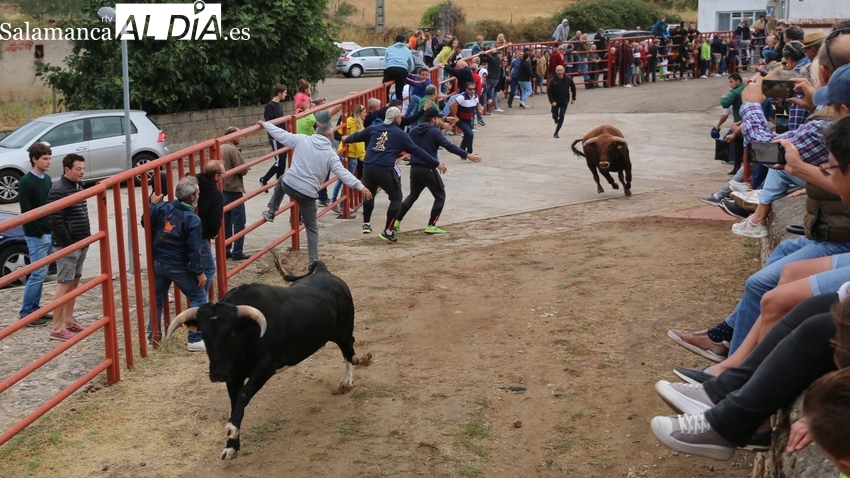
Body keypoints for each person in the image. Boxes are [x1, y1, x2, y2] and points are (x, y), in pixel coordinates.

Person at [259, 120, 372, 263]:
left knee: (282, 178)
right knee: (312, 228)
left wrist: (265, 124)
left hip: (290, 185)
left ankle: (271, 211)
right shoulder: (331, 154)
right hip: (308, 194)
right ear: (329, 137)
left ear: (316, 133)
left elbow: (281, 135)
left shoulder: (302, 139)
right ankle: (313, 262)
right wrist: (361, 187)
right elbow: (343, 173)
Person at [340, 107, 437, 244]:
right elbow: (417, 151)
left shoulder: (373, 128)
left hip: (368, 167)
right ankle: (388, 230)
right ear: (397, 118)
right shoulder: (400, 134)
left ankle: (366, 223)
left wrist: (345, 138)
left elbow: (356, 137)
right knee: (396, 198)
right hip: (384, 169)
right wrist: (436, 163)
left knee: (369, 193)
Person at [395, 108, 482, 235]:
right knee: (440, 196)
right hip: (428, 168)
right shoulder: (434, 132)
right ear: (434, 119)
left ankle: (396, 222)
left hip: (414, 168)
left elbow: (405, 146)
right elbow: (449, 146)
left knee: (413, 195)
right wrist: (467, 155)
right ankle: (431, 225)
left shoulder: (413, 131)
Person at [147, 176, 209, 350]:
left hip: (159, 263)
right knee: (198, 296)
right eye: (198, 192)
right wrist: (199, 272)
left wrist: (152, 204)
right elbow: (194, 250)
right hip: (178, 265)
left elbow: (145, 220)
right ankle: (195, 338)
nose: (199, 194)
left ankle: (152, 337)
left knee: (157, 299)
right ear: (192, 197)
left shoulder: (162, 208)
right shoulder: (192, 220)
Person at [46, 154, 90, 342]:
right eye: (78, 169)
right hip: (69, 245)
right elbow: (55, 220)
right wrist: (68, 243)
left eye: (83, 168)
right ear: (67, 170)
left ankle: (69, 320)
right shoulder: (59, 190)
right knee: (64, 284)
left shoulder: (77, 186)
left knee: (73, 283)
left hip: (80, 242)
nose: (82, 172)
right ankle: (57, 327)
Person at [18, 142, 53, 327]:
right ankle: (26, 313)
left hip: (48, 232)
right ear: (34, 159)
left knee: (42, 273)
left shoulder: (47, 179)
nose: (48, 162)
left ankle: (34, 309)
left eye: (49, 158)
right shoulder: (25, 182)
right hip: (36, 235)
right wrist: (39, 233)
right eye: (45, 159)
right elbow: (26, 211)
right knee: (38, 273)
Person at [196, 160, 224, 299]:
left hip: (184, 230)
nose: (224, 176)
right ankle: (200, 298)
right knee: (210, 268)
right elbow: (215, 220)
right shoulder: (216, 194)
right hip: (200, 234)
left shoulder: (194, 183)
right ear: (216, 177)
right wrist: (213, 233)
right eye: (222, 173)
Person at [220, 126, 249, 261]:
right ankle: (238, 251)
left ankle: (226, 249)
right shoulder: (232, 149)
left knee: (226, 221)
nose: (241, 137)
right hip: (234, 188)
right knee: (239, 221)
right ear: (232, 136)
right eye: (239, 135)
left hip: (223, 188)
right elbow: (242, 170)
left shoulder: (219, 147)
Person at [332, 104, 367, 213]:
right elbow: (359, 143)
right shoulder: (357, 125)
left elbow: (338, 132)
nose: (366, 114)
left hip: (343, 151)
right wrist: (363, 156)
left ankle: (334, 201)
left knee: (341, 178)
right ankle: (341, 204)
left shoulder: (348, 121)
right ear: (359, 113)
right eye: (364, 112)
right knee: (346, 179)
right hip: (352, 155)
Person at [259, 84, 287, 190]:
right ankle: (264, 179)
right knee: (279, 161)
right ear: (279, 93)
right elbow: (269, 122)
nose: (286, 94)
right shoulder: (270, 106)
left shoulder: (279, 105)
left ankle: (279, 184)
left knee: (283, 162)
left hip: (282, 136)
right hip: (275, 137)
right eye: (284, 92)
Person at [383, 34, 415, 102]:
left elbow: (385, 62)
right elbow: (411, 65)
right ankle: (399, 107)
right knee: (399, 91)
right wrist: (407, 71)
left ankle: (386, 105)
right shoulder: (407, 51)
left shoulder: (389, 49)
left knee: (385, 89)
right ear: (404, 41)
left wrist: (388, 68)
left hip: (390, 68)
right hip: (402, 70)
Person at [548, 65, 577, 139]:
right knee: (555, 114)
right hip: (555, 101)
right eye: (558, 70)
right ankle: (554, 117)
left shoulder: (568, 79)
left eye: (561, 70)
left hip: (565, 100)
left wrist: (573, 98)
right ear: (555, 71)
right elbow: (549, 92)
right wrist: (552, 101)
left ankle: (556, 132)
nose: (559, 72)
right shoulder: (552, 80)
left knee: (562, 115)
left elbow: (573, 88)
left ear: (563, 71)